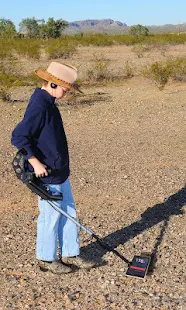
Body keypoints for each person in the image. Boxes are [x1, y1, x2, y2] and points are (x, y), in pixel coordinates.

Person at [11, 62, 94, 274]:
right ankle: (46, 258)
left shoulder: (49, 102)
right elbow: (19, 136)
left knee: (68, 213)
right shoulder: (39, 106)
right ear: (52, 84)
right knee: (50, 217)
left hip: (59, 171)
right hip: (47, 174)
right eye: (65, 89)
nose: (66, 93)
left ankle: (70, 252)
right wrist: (35, 163)